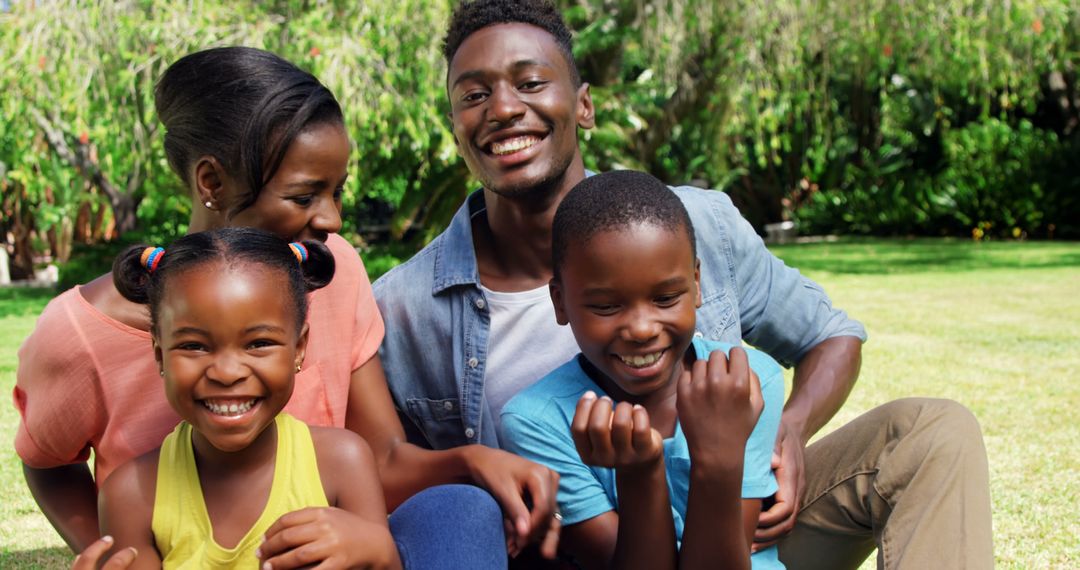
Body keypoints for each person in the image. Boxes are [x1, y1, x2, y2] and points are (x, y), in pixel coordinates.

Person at [373, 1, 993, 567]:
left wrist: (788, 431)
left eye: (531, 82)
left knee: (929, 432)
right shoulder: (405, 306)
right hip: (598, 551)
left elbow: (832, 336)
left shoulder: (697, 224)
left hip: (739, 522)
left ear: (583, 104)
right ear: (454, 123)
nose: (504, 108)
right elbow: (387, 474)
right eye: (474, 95)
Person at [14, 46, 557, 565]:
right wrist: (119, 552)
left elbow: (380, 457)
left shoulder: (331, 270)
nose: (332, 220)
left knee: (459, 511)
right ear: (211, 181)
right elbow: (47, 463)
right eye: (303, 196)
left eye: (337, 192)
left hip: (332, 550)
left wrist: (470, 462)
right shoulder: (80, 331)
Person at [500, 171, 784, 570]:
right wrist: (640, 474)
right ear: (560, 302)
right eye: (606, 306)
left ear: (697, 284)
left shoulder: (747, 381)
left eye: (666, 298)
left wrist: (719, 459)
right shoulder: (537, 422)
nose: (641, 329)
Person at [91, 227, 401, 568]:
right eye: (194, 346)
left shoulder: (343, 463)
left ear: (299, 348)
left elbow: (382, 562)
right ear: (160, 354)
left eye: (258, 343)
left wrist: (378, 550)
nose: (227, 372)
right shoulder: (132, 495)